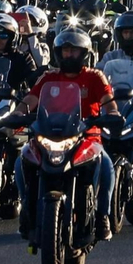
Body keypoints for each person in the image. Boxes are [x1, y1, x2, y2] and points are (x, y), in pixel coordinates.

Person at [14, 29, 117, 243]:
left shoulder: (94, 76)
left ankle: (102, 216)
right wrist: (17, 113)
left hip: (87, 138)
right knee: (21, 160)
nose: (69, 55)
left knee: (106, 167)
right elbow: (31, 99)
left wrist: (113, 113)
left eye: (74, 51)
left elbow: (108, 100)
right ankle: (26, 212)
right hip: (49, 136)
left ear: (84, 53)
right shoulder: (49, 77)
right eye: (65, 51)